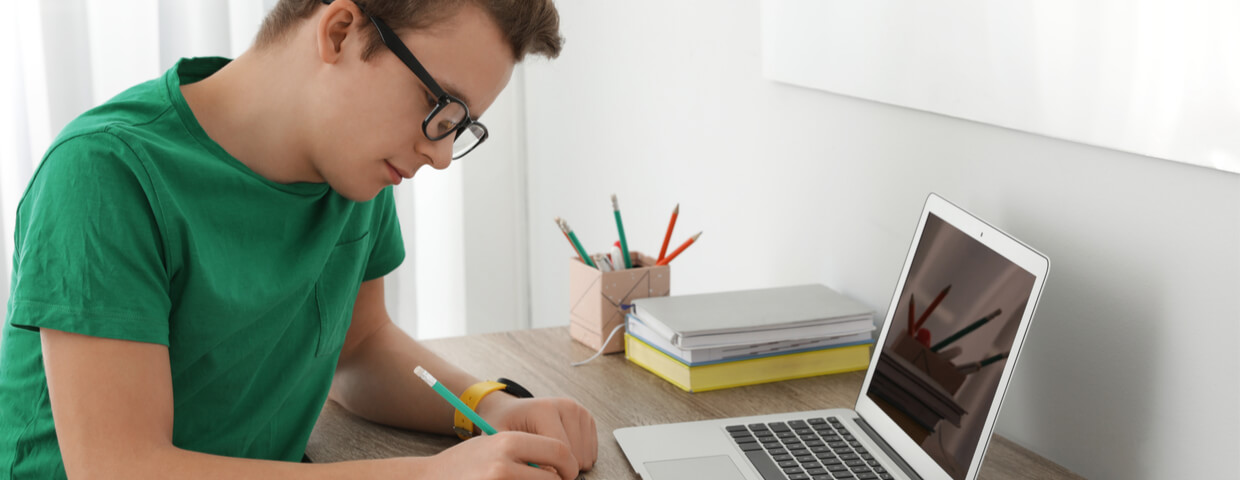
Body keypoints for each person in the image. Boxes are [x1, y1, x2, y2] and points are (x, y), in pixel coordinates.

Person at [0, 0, 597, 478]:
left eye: (460, 128)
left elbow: (360, 349)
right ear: (340, 32)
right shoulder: (105, 174)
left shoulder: (356, 168)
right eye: (440, 108)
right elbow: (121, 469)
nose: (440, 155)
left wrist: (490, 407)